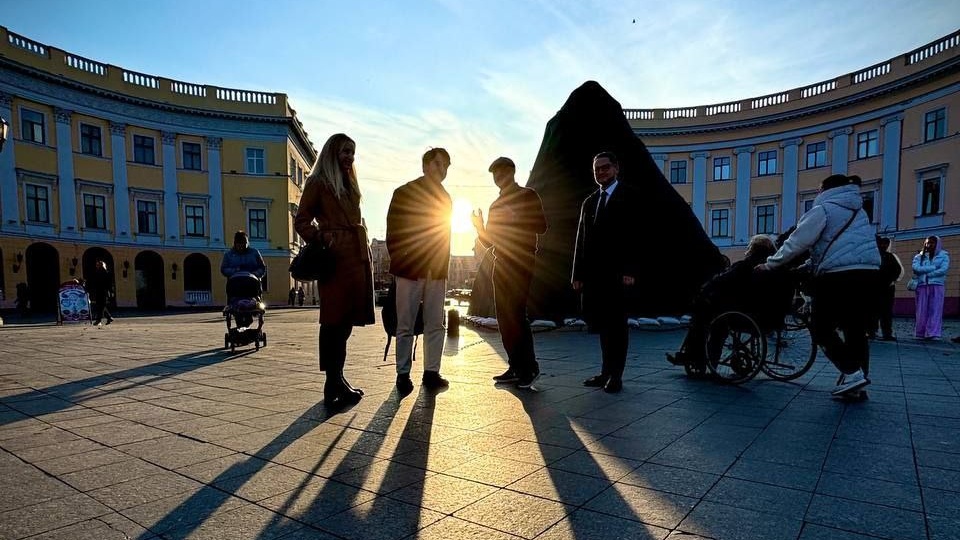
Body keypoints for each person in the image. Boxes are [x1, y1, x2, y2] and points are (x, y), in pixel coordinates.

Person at [756, 174, 880, 397]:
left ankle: (851, 372)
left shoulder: (823, 209)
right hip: (868, 274)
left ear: (826, 189)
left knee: (820, 328)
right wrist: (807, 266)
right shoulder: (858, 211)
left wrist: (770, 265)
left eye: (819, 188)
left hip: (838, 277)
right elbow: (835, 247)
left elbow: (797, 242)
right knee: (855, 330)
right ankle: (856, 385)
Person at [294, 133, 375, 412]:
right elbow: (301, 220)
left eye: (352, 152)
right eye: (344, 151)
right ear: (331, 153)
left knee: (346, 322)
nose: (349, 157)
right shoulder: (318, 182)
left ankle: (337, 378)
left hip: (355, 258)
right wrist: (323, 238)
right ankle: (332, 382)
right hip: (335, 259)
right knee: (333, 322)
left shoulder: (350, 183)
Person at [472, 156, 548, 388]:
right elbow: (490, 243)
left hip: (521, 263)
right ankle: (515, 365)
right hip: (501, 265)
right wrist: (479, 228)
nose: (498, 178)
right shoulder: (495, 205)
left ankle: (530, 367)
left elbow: (542, 226)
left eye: (502, 173)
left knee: (516, 314)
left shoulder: (527, 195)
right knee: (504, 318)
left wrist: (517, 218)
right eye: (495, 175)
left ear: (513, 172)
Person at [571, 151, 642, 393]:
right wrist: (577, 275)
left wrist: (630, 269)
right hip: (594, 277)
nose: (600, 172)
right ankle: (605, 373)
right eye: (597, 169)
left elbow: (637, 237)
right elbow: (581, 241)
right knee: (603, 325)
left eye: (605, 168)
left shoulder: (630, 196)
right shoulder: (590, 202)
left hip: (619, 275)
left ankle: (616, 376)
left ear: (616, 168)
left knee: (618, 326)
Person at [386, 147, 453, 396]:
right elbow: (393, 230)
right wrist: (402, 258)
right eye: (438, 164)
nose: (442, 170)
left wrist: (443, 267)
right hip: (409, 268)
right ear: (425, 165)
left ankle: (431, 372)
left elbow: (445, 235)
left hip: (436, 269)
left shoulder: (446, 198)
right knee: (405, 323)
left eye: (446, 166)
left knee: (436, 323)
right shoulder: (404, 192)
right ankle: (402, 374)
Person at [667, 235, 777, 371]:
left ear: (753, 249)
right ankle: (697, 356)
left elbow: (722, 281)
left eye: (749, 246)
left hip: (743, 314)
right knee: (709, 316)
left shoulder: (746, 265)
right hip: (759, 313)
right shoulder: (771, 267)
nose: (747, 248)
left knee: (705, 319)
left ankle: (698, 357)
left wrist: (705, 289)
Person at [912, 235, 949, 340]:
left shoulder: (944, 255)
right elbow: (916, 268)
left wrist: (929, 274)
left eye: (932, 243)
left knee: (935, 309)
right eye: (927, 243)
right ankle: (920, 332)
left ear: (937, 244)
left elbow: (944, 269)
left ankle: (933, 333)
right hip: (922, 285)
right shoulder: (919, 256)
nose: (929, 245)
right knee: (921, 310)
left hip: (937, 285)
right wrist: (932, 268)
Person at [870, 236, 903, 341]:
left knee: (886, 312)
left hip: (887, 288)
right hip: (873, 288)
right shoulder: (872, 256)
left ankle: (887, 333)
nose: (883, 246)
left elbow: (898, 270)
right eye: (881, 243)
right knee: (872, 311)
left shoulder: (891, 256)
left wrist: (891, 281)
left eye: (886, 244)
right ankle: (871, 332)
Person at [89, 259, 114, 326]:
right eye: (96, 265)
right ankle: (109, 317)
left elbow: (109, 284)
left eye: (97, 265)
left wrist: (110, 291)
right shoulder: (100, 272)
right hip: (100, 291)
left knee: (100, 306)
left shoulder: (103, 273)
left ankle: (98, 320)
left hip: (103, 292)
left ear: (101, 265)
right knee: (101, 306)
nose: (96, 266)